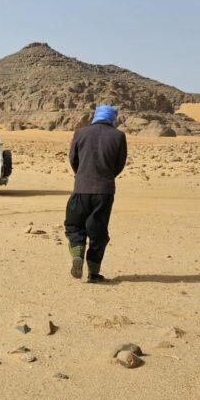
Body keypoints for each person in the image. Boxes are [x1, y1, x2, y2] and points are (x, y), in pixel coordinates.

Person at [65, 104, 127, 283]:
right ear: (112, 118)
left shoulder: (80, 133)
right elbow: (120, 163)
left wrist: (82, 174)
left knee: (74, 225)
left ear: (96, 116)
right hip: (104, 191)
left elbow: (73, 159)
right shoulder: (118, 136)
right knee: (98, 231)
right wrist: (106, 176)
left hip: (81, 188)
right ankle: (93, 273)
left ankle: (77, 253)